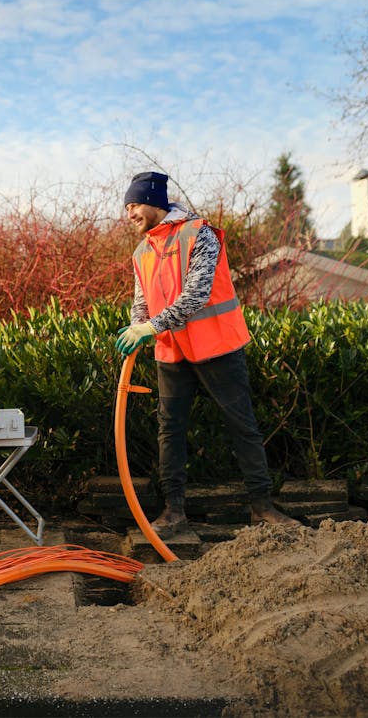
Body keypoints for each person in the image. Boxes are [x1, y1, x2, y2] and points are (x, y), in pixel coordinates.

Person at [115, 170, 300, 537]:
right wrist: (139, 326)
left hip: (216, 346)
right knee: (170, 430)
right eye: (127, 207)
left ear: (154, 202)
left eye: (134, 204)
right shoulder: (141, 251)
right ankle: (173, 512)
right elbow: (142, 302)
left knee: (241, 424)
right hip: (171, 352)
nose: (129, 213)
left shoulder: (199, 234)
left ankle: (262, 507)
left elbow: (197, 295)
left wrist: (151, 327)